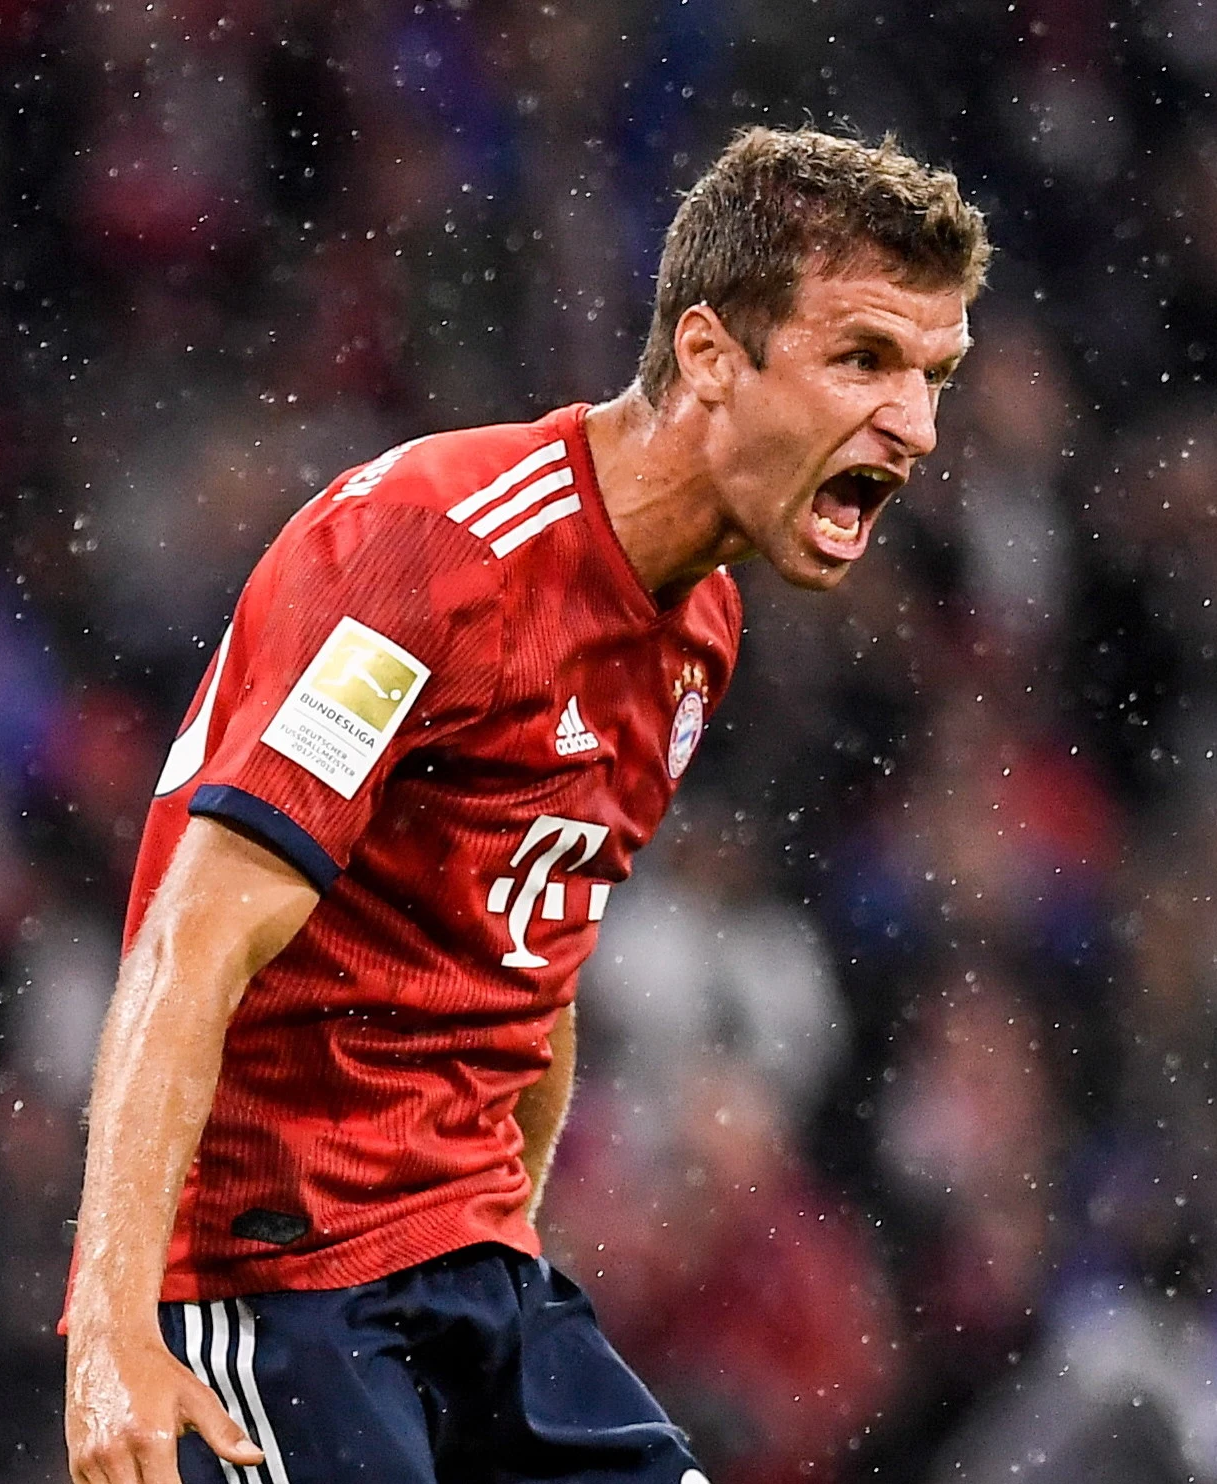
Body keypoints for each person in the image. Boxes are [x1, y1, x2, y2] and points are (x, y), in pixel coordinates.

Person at [61, 127, 988, 1484]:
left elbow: (534, 956)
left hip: (468, 1270)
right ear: (709, 357)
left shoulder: (700, 630)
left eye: (933, 376)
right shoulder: (434, 549)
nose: (912, 426)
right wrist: (109, 1329)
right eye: (863, 360)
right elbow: (191, 942)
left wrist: (510, 1235)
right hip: (275, 1274)